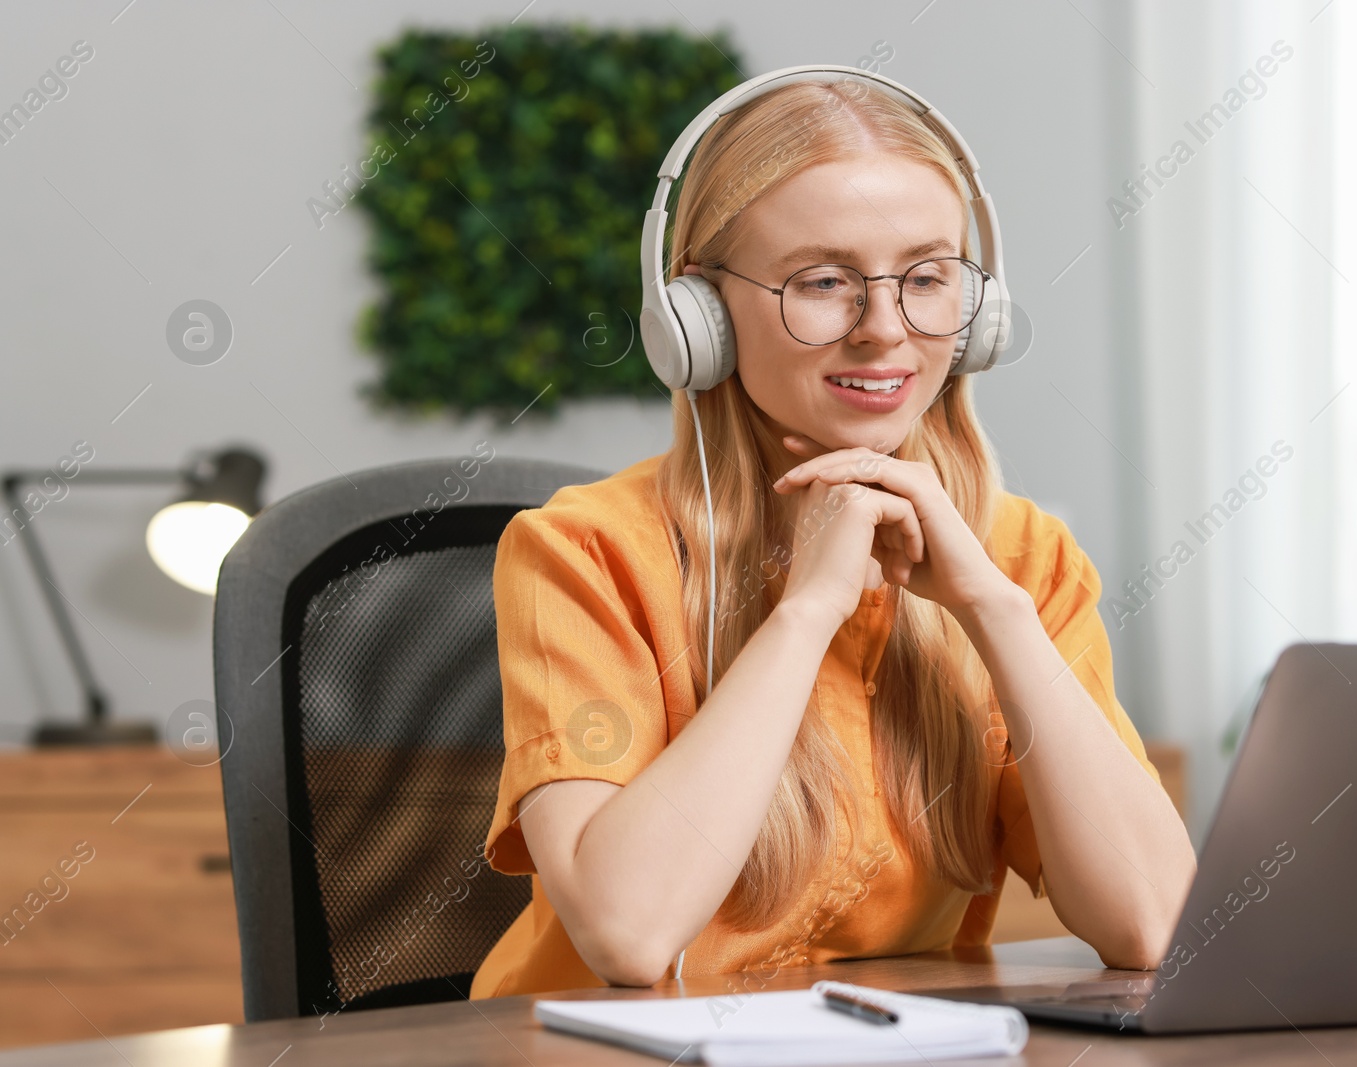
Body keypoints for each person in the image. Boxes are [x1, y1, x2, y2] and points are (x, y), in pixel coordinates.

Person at [469, 74, 1196, 1000]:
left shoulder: (1021, 559)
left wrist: (993, 610)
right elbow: (628, 932)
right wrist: (806, 611)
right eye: (824, 283)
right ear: (696, 319)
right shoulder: (583, 552)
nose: (886, 331)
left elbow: (1153, 923)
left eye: (928, 278)